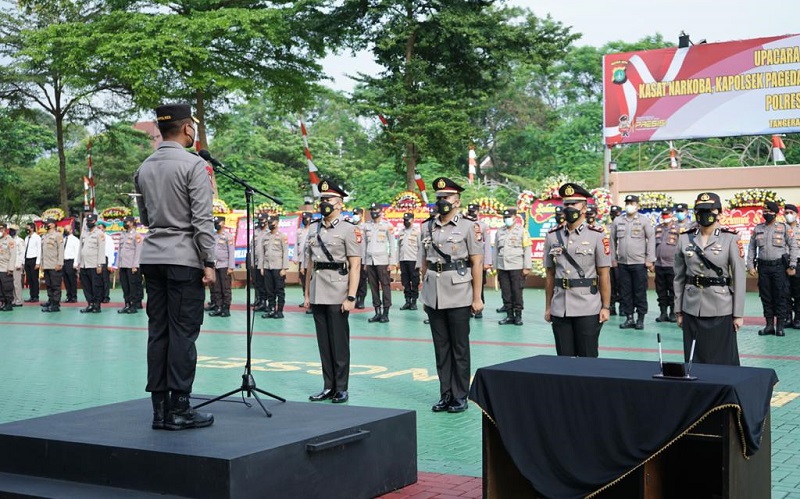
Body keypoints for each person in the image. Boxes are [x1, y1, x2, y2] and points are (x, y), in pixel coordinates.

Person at [134, 103, 216, 430]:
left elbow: (144, 218)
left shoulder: (144, 167)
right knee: (183, 333)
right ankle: (180, 407)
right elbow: (202, 220)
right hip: (184, 258)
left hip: (152, 256)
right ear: (186, 128)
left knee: (159, 332)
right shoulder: (194, 165)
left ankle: (159, 410)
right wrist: (209, 261)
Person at [419, 177, 484, 413]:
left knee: (459, 347)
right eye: (439, 197)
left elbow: (477, 263)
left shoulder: (468, 227)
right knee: (441, 348)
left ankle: (460, 395)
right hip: (434, 293)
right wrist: (424, 292)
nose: (442, 201)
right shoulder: (426, 227)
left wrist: (477, 297)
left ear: (457, 200)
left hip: (459, 292)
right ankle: (445, 393)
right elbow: (423, 262)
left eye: (446, 197)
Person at [304, 180, 362, 404]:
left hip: (338, 289)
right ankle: (328, 386)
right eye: (322, 199)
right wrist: (307, 294)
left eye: (328, 199)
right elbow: (310, 264)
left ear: (339, 204)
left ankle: (341, 387)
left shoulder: (349, 229)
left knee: (339, 342)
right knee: (324, 343)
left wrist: (351, 296)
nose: (324, 203)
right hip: (318, 289)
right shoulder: (313, 228)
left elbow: (355, 265)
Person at [674, 192, 746, 365]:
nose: (705, 214)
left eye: (709, 210)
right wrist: (678, 311)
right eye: (701, 210)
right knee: (694, 360)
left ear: (719, 213)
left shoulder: (730, 238)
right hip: (692, 307)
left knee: (722, 359)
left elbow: (739, 277)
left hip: (720, 307)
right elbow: (679, 278)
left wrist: (738, 314)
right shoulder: (684, 238)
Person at [544, 183, 611, 357]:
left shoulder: (597, 235)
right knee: (564, 359)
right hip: (560, 307)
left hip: (588, 306)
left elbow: (604, 274)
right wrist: (548, 307)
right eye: (566, 204)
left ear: (584, 208)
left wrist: (605, 306)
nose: (569, 208)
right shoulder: (552, 235)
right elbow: (550, 274)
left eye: (574, 204)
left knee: (587, 359)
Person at [747, 201, 797, 337]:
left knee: (780, 296)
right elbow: (751, 248)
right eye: (764, 211)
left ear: (775, 213)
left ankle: (780, 326)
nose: (766, 214)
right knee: (766, 296)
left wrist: (792, 264)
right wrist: (750, 265)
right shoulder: (758, 228)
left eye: (769, 212)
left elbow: (793, 246)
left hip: (779, 267)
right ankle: (769, 326)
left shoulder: (784, 227)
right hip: (763, 267)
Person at [610, 194, 655, 330]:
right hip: (623, 263)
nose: (629, 205)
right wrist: (613, 259)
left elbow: (651, 238)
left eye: (632, 203)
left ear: (637, 206)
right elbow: (612, 240)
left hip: (639, 263)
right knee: (625, 292)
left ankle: (640, 319)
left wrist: (649, 259)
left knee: (639, 292)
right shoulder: (618, 220)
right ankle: (629, 318)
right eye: (627, 203)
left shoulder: (644, 220)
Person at [654, 204, 692, 323]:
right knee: (660, 290)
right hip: (659, 264)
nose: (665, 217)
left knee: (673, 290)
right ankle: (663, 312)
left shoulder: (678, 228)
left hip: (672, 264)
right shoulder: (658, 228)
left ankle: (673, 312)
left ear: (672, 215)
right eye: (663, 215)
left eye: (667, 215)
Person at [495, 208, 531, 326]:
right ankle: (509, 315)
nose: (507, 219)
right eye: (505, 217)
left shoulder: (522, 231)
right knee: (506, 292)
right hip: (503, 267)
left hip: (517, 266)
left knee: (517, 291)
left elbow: (527, 249)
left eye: (509, 217)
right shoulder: (500, 231)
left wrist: (527, 267)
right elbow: (496, 250)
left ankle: (518, 316)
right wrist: (496, 266)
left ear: (515, 217)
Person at [363, 203, 396, 323]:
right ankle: (377, 312)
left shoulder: (387, 225)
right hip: (370, 261)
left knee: (385, 286)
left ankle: (386, 313)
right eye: (371, 210)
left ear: (381, 211)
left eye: (375, 209)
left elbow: (392, 244)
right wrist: (364, 262)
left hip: (382, 261)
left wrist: (392, 262)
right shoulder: (366, 226)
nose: (373, 212)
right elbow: (364, 245)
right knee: (373, 287)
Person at [464, 203, 491, 319]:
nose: (471, 214)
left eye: (473, 212)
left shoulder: (483, 226)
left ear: (478, 212)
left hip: (479, 261)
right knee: (466, 285)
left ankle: (479, 308)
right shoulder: (464, 225)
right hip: (466, 260)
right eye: (470, 212)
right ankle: (467, 309)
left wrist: (487, 262)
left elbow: (487, 245)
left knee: (479, 284)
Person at [205, 216, 235, 318]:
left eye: (218, 222)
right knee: (216, 287)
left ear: (223, 223)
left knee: (225, 288)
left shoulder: (228, 236)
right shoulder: (213, 236)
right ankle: (218, 307)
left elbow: (231, 252)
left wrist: (231, 267)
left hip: (224, 265)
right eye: (215, 222)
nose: (216, 224)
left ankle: (226, 308)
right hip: (215, 265)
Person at [75, 214, 106, 313]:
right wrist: (78, 262)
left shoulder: (99, 233)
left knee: (96, 285)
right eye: (88, 221)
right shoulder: (85, 233)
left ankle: (97, 305)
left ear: (95, 221)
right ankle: (90, 304)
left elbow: (101, 250)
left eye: (91, 221)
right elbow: (80, 249)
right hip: (84, 264)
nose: (89, 222)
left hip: (94, 264)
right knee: (86, 286)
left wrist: (100, 264)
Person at [260, 214, 289, 319]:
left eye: (271, 222)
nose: (269, 224)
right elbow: (262, 253)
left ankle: (280, 311)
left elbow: (285, 252)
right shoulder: (265, 237)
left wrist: (284, 268)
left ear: (276, 223)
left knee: (279, 290)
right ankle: (271, 309)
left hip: (278, 267)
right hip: (267, 267)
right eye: (268, 222)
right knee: (269, 290)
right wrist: (262, 267)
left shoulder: (282, 236)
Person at [117, 216, 144, 314]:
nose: (125, 224)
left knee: (133, 286)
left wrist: (135, 265)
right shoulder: (123, 234)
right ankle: (127, 304)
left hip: (131, 266)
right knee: (125, 286)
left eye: (126, 222)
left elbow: (138, 252)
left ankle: (134, 305)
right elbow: (120, 250)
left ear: (132, 223)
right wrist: (118, 264)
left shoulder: (137, 235)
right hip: (123, 265)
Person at [397, 212, 421, 311]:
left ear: (412, 220)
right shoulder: (401, 232)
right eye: (404, 220)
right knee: (405, 281)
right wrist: (397, 261)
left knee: (415, 281)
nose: (405, 221)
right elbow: (398, 247)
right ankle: (407, 301)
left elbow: (420, 248)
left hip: (413, 260)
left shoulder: (417, 231)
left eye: (407, 220)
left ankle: (414, 302)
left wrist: (419, 262)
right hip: (403, 259)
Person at [40, 218, 64, 313]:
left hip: (54, 264)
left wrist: (60, 263)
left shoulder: (58, 235)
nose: (46, 225)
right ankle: (51, 301)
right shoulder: (44, 236)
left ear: (53, 224)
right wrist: (42, 264)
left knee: (55, 286)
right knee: (49, 285)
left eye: (48, 223)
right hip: (46, 265)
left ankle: (56, 304)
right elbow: (42, 252)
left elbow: (61, 250)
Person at [783, 204, 800, 328]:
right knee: (785, 292)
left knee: (798, 293)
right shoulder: (781, 228)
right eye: (786, 212)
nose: (788, 215)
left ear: (796, 214)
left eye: (791, 212)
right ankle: (787, 317)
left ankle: (798, 318)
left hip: (798, 263)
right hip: (784, 263)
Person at [295, 212, 313, 311]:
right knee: (303, 281)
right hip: (302, 259)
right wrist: (296, 258)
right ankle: (306, 298)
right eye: (304, 218)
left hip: (310, 261)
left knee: (311, 281)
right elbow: (296, 246)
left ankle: (312, 301)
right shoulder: (299, 231)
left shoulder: (313, 231)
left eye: (307, 218)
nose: (305, 220)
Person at [351, 207, 368, 309]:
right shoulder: (350, 227)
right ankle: (354, 297)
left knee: (362, 279)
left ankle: (361, 299)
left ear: (361, 215)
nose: (355, 216)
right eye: (354, 214)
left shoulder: (365, 227)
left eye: (357, 214)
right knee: (352, 278)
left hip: (362, 256)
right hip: (352, 256)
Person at [251, 213, 268, 312]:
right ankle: (260, 301)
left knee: (266, 284)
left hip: (266, 263)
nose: (261, 222)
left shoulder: (269, 232)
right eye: (260, 220)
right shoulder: (256, 232)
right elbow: (253, 247)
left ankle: (266, 302)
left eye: (263, 220)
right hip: (257, 262)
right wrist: (252, 262)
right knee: (258, 283)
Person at [607, 205, 622, 315]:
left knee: (622, 285)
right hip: (608, 260)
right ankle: (611, 306)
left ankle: (623, 306)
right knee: (610, 284)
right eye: (612, 214)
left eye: (616, 214)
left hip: (621, 260)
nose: (614, 216)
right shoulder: (606, 227)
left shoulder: (623, 226)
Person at [0, 223, 17, 311]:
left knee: (7, 286)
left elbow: (13, 255)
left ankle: (9, 304)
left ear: (5, 230)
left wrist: (10, 268)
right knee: (1, 288)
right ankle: (3, 302)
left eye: (1, 229)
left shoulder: (10, 240)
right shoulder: (0, 240)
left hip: (5, 267)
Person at [23, 221, 41, 303]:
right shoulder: (26, 238)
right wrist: (23, 261)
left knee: (34, 279)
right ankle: (31, 296)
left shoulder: (37, 237)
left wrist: (38, 262)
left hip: (34, 259)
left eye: (28, 228)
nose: (27, 229)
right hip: (27, 259)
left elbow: (39, 250)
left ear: (32, 228)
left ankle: (36, 296)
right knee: (29, 279)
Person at [62, 222, 80, 303]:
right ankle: (68, 296)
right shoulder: (63, 239)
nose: (65, 231)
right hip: (64, 261)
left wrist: (75, 263)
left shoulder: (75, 240)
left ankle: (73, 296)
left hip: (71, 261)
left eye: (67, 229)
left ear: (71, 230)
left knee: (72, 279)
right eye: (65, 229)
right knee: (66, 279)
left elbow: (77, 252)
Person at [98, 223, 115, 303]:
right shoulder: (95, 237)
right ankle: (99, 296)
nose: (99, 229)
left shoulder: (108, 238)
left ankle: (106, 296)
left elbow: (111, 251)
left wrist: (110, 264)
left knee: (105, 279)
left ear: (104, 229)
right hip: (97, 259)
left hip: (105, 259)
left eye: (100, 228)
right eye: (98, 228)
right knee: (98, 279)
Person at [9, 225, 24, 307]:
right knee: (10, 283)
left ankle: (18, 300)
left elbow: (22, 253)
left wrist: (20, 263)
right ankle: (13, 300)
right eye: (11, 230)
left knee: (17, 283)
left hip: (17, 264)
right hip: (9, 264)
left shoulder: (20, 241)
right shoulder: (8, 239)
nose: (11, 231)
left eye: (13, 230)